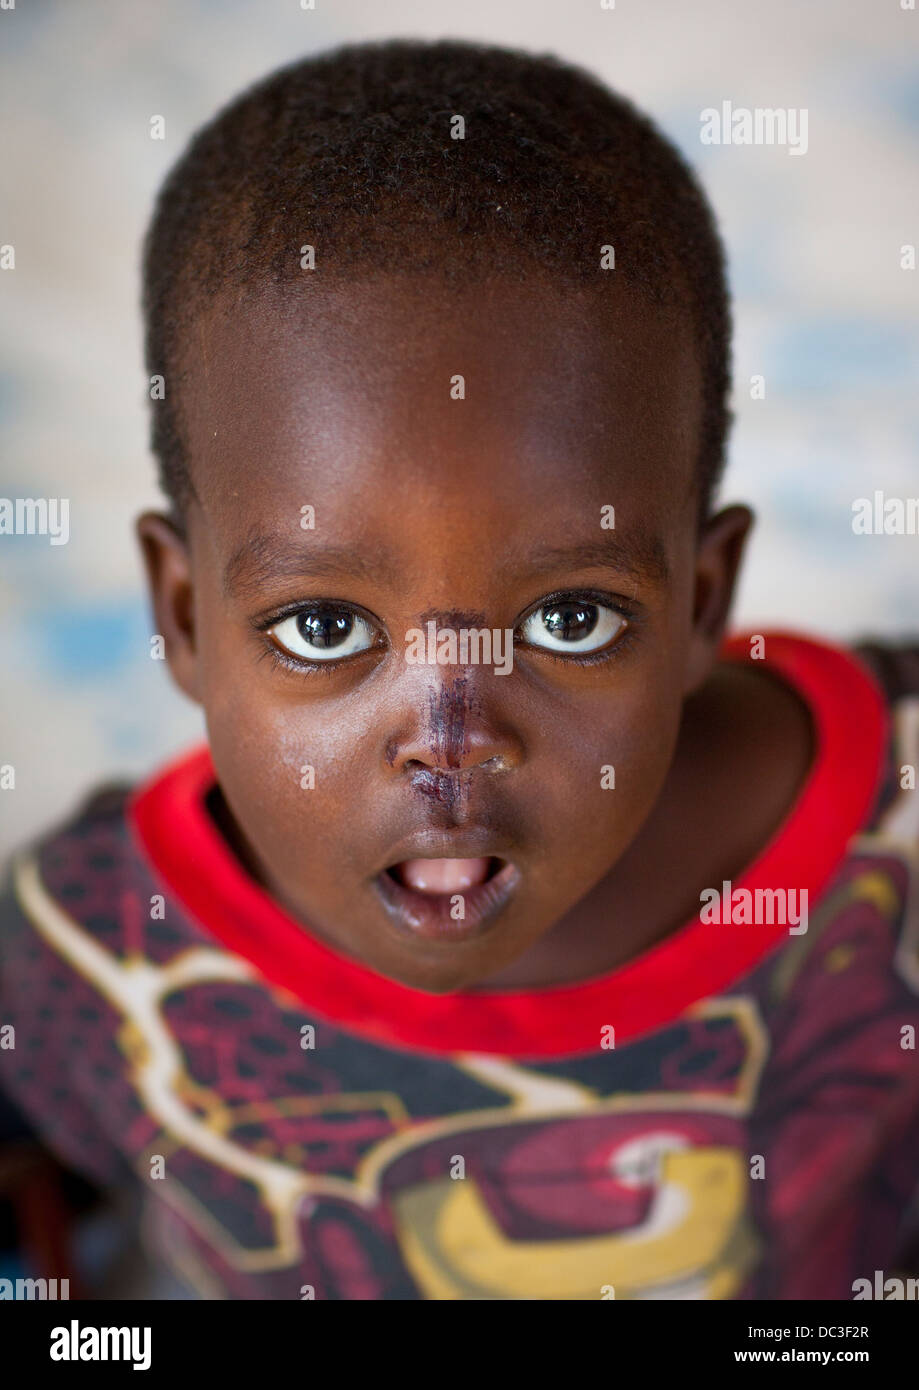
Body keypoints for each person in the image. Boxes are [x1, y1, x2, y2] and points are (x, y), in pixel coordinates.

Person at [1, 37, 918, 1301]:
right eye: (326, 628)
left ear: (703, 599)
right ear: (185, 617)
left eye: (571, 620)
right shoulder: (90, 945)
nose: (451, 736)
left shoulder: (896, 836)